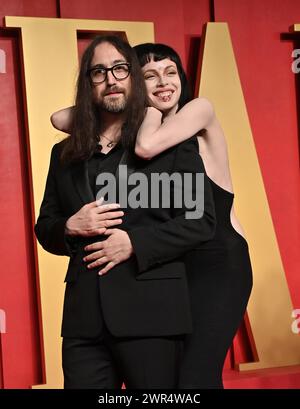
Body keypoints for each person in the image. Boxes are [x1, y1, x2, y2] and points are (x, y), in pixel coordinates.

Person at [51, 41, 253, 388]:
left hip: (216, 263)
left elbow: (145, 147)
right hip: (171, 265)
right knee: (179, 380)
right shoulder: (149, 126)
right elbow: (62, 118)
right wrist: (120, 95)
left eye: (170, 73)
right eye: (151, 76)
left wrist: (143, 108)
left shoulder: (195, 114)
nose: (163, 83)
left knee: (194, 379)